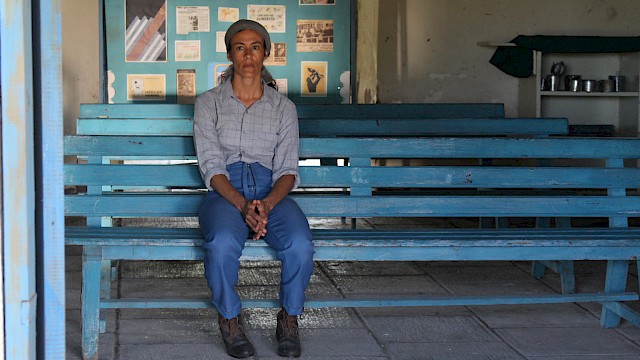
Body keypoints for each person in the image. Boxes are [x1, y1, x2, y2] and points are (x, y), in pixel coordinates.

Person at [193, 19, 315, 359]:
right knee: (220, 243)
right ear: (230, 53)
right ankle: (230, 318)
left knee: (301, 244)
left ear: (266, 53)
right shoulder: (208, 104)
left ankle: (289, 318)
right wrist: (243, 204)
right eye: (240, 47)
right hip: (225, 192)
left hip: (271, 189)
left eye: (256, 47)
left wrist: (267, 204)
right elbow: (211, 165)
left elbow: (289, 169)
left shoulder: (283, 108)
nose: (248, 54)